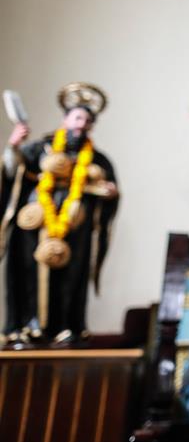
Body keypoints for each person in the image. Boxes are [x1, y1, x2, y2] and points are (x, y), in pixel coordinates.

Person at [0, 83, 118, 347]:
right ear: (65, 119)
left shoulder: (97, 160)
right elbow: (11, 174)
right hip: (33, 226)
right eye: (77, 118)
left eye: (87, 121)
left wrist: (109, 193)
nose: (81, 124)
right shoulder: (39, 149)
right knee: (27, 272)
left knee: (70, 280)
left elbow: (109, 191)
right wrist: (13, 146)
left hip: (74, 234)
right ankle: (24, 326)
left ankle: (65, 328)